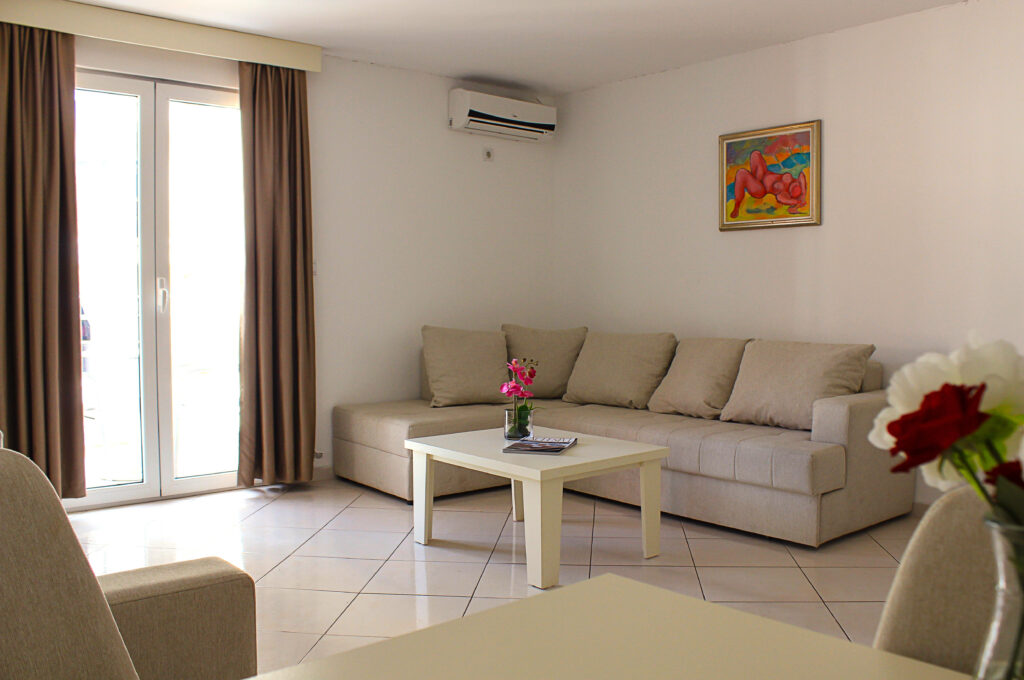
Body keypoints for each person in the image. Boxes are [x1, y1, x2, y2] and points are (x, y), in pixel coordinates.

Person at [729, 150, 808, 218]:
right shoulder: (797, 181)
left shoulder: (785, 194)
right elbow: (801, 174)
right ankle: (749, 180)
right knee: (755, 154)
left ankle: (737, 205)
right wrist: (803, 194)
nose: (794, 186)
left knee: (741, 173)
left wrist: (797, 203)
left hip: (761, 189)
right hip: (764, 174)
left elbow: (781, 199)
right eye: (796, 185)